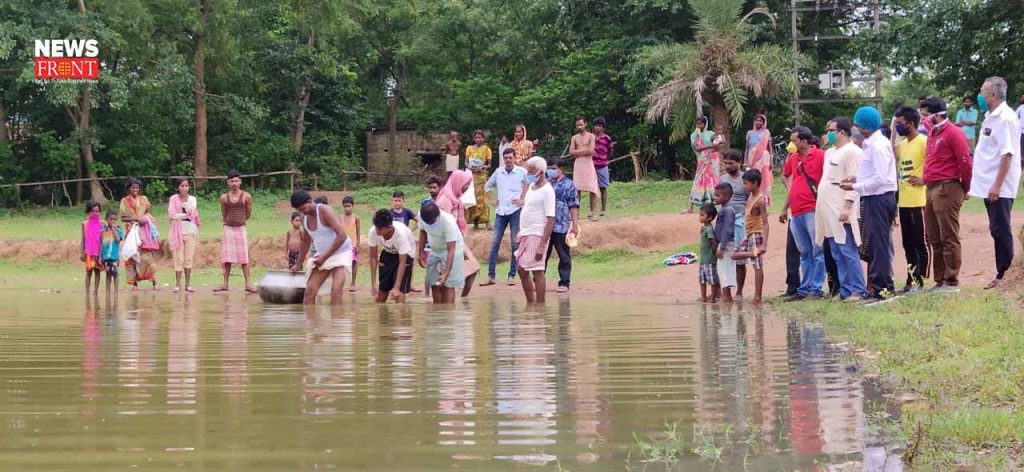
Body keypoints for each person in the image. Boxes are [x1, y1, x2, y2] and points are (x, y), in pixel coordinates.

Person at [840, 106, 898, 301]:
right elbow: (871, 173)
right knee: (873, 244)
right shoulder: (869, 145)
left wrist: (857, 187)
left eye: (857, 125)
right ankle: (881, 286)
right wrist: (855, 179)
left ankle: (881, 289)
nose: (855, 129)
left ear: (865, 126)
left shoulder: (879, 145)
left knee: (878, 244)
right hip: (872, 197)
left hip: (879, 198)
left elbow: (881, 178)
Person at [970, 76, 1022, 289]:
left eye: (983, 91)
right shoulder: (990, 116)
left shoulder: (1006, 118)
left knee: (1000, 228)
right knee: (995, 228)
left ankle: (1005, 274)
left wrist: (997, 185)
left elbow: (1007, 154)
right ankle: (1003, 272)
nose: (980, 95)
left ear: (993, 95)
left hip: (998, 186)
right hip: (987, 184)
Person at [922, 96, 973, 292]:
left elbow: (965, 162)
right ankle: (940, 279)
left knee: (948, 236)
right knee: (934, 236)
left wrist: (965, 188)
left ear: (936, 115)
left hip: (947, 187)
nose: (923, 119)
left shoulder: (953, 133)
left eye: (926, 115)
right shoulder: (933, 133)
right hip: (932, 187)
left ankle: (951, 280)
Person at [815, 117, 868, 301]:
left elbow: (854, 181)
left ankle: (858, 290)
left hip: (841, 208)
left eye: (831, 130)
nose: (828, 133)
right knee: (836, 251)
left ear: (843, 132)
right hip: (827, 210)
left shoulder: (852, 152)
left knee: (847, 250)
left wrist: (847, 206)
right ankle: (845, 290)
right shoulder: (829, 153)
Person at [780, 126, 825, 300]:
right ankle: (805, 288)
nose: (792, 144)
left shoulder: (820, 156)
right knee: (804, 251)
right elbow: (786, 176)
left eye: (794, 140)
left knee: (817, 249)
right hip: (796, 210)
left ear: (804, 142)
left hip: (812, 208)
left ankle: (816, 287)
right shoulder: (793, 158)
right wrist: (785, 207)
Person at [290, 190, 353, 305]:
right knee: (309, 291)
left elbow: (342, 235)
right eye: (299, 210)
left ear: (309, 201)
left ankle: (337, 322)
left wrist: (324, 258)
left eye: (303, 209)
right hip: (323, 255)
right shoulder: (304, 218)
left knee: (336, 291)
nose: (302, 212)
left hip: (341, 254)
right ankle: (311, 322)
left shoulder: (324, 210)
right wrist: (298, 263)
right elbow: (305, 241)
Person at [894, 107, 930, 292]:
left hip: (919, 200)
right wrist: (894, 128)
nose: (898, 126)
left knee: (920, 242)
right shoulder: (904, 144)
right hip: (905, 201)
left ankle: (921, 280)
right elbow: (893, 150)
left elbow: (935, 163)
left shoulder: (924, 141)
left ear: (911, 123)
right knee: (907, 244)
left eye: (900, 123)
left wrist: (925, 179)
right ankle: (911, 280)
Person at [483, 148, 529, 286]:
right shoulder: (499, 172)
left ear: (515, 158)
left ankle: (512, 275)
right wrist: (492, 200)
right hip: (500, 212)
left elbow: (531, 185)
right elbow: (488, 186)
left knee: (515, 243)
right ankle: (491, 276)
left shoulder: (522, 172)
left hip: (515, 211)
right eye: (506, 158)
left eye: (510, 158)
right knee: (495, 243)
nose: (508, 160)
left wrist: (523, 199)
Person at [516, 156, 556, 304]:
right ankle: (531, 302)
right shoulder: (532, 188)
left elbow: (551, 218)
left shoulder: (547, 191)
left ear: (540, 171)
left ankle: (539, 305)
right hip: (525, 233)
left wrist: (541, 245)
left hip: (537, 234)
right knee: (521, 269)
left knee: (537, 271)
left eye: (531, 171)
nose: (528, 174)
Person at [435, 169, 481, 295]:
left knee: (473, 268)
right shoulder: (445, 200)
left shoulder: (456, 199)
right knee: (450, 276)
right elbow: (444, 226)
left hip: (457, 240)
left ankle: (462, 302)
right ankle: (446, 306)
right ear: (458, 182)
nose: (467, 187)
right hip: (448, 243)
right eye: (466, 184)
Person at [732, 170, 770, 304]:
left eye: (746, 183)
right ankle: (753, 253)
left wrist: (764, 244)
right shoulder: (750, 197)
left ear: (755, 184)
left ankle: (758, 296)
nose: (744, 186)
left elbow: (765, 223)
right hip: (748, 233)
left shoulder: (760, 200)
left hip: (756, 233)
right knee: (734, 255)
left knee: (757, 266)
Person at [417, 202, 465, 304]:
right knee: (434, 283)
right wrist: (420, 253)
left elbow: (451, 250)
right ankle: (438, 312)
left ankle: (448, 314)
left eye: (431, 222)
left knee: (448, 284)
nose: (429, 224)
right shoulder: (422, 216)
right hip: (434, 250)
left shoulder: (448, 222)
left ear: (437, 216)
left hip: (453, 251)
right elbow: (422, 232)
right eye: (427, 222)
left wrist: (446, 274)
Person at [544, 158, 580, 293]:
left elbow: (574, 205)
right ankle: (538, 281)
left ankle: (564, 282)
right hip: (545, 226)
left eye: (554, 168)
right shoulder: (545, 183)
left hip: (561, 225)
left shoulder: (569, 184)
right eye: (549, 168)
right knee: (542, 255)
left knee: (564, 255)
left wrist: (575, 224)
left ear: (561, 169)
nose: (551, 171)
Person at [216, 170, 255, 293]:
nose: (234, 183)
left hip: (241, 228)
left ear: (240, 181)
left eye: (236, 181)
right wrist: (229, 222)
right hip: (228, 229)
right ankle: (225, 284)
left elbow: (248, 213)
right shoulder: (224, 198)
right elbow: (224, 213)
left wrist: (240, 221)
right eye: (232, 181)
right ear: (228, 182)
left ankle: (248, 283)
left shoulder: (246, 196)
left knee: (244, 257)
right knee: (227, 258)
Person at [119, 178, 160, 290]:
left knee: (147, 256)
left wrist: (145, 219)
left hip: (143, 232)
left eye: (137, 187)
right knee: (132, 256)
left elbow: (148, 212)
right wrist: (136, 219)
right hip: (131, 232)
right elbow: (123, 217)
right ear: (129, 189)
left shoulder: (144, 199)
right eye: (133, 187)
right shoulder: (124, 201)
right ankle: (134, 284)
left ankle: (154, 282)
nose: (135, 189)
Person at [719, 150, 749, 298]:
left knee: (739, 258)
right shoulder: (722, 179)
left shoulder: (745, 179)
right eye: (726, 164)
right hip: (725, 220)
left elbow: (750, 200)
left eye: (731, 163)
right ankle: (723, 291)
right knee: (723, 256)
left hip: (739, 221)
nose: (728, 166)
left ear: (739, 163)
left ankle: (739, 292)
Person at [368, 209, 416, 304]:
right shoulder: (373, 231)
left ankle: (400, 317)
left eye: (380, 229)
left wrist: (397, 287)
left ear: (389, 227)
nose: (377, 231)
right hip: (388, 252)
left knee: (399, 293)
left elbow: (402, 262)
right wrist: (373, 283)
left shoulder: (401, 234)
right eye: (376, 227)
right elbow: (373, 257)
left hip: (406, 255)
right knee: (382, 291)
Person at [168, 178, 200, 293]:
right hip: (177, 232)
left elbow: (192, 212)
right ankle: (177, 284)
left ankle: (188, 284)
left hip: (190, 231)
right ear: (178, 187)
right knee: (179, 259)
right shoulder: (173, 199)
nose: (184, 188)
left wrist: (182, 214)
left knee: (188, 258)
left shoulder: (193, 199)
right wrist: (185, 214)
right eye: (182, 186)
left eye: (186, 186)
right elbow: (172, 215)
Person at [570, 117, 600, 220]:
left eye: (581, 124)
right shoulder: (574, 138)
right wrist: (584, 151)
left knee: (592, 188)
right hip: (578, 164)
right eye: (577, 125)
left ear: (585, 124)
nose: (579, 127)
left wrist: (578, 152)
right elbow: (571, 152)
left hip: (588, 163)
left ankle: (593, 212)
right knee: (577, 189)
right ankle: (576, 213)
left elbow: (591, 151)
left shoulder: (591, 136)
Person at [688, 116, 719, 213]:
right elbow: (697, 148)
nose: (699, 126)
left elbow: (719, 144)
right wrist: (710, 146)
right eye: (697, 124)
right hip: (702, 161)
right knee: (698, 181)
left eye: (701, 124)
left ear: (705, 124)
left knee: (712, 182)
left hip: (712, 161)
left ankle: (711, 205)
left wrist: (716, 143)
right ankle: (691, 207)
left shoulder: (710, 133)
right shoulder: (694, 135)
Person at [713, 183, 736, 303]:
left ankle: (727, 297)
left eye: (718, 195)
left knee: (725, 270)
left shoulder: (727, 210)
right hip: (724, 244)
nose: (715, 198)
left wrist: (721, 247)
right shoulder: (724, 208)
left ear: (726, 196)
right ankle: (727, 296)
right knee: (723, 270)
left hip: (726, 245)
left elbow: (727, 229)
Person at [465, 130, 493, 230]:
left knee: (483, 199)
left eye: (480, 137)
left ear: (483, 138)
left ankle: (487, 222)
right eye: (476, 137)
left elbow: (489, 164)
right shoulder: (469, 148)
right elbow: (466, 162)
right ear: (474, 138)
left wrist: (483, 167)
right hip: (471, 176)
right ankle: (475, 222)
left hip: (482, 177)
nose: (478, 139)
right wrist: (470, 167)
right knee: (473, 199)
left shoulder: (487, 150)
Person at [745, 114, 774, 205]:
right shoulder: (750, 133)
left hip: (763, 158)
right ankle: (752, 200)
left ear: (763, 122)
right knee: (752, 178)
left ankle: (763, 200)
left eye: (760, 120)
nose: (758, 122)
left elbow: (769, 147)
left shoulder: (766, 132)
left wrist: (771, 160)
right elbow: (747, 147)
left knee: (764, 178)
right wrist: (745, 161)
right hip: (752, 158)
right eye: (756, 120)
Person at [698, 203, 720, 303]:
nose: (700, 217)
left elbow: (713, 242)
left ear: (710, 217)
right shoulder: (704, 228)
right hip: (703, 260)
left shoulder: (709, 229)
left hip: (710, 260)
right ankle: (703, 297)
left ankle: (713, 298)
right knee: (702, 280)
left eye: (702, 215)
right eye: (699, 214)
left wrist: (716, 253)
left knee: (712, 280)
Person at [81, 200, 103, 296]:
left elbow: (103, 239)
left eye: (97, 211)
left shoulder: (102, 223)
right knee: (89, 272)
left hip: (98, 252)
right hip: (89, 252)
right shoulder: (84, 224)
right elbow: (83, 239)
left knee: (97, 272)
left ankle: (96, 292)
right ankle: (87, 292)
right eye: (93, 211)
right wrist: (82, 252)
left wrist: (103, 254)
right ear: (88, 212)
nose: (95, 213)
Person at [339, 196, 361, 292]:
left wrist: (358, 244)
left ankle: (353, 283)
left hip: (353, 244)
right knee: (342, 265)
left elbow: (358, 232)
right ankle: (341, 283)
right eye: (345, 206)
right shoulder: (340, 218)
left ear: (353, 206)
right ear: (342, 207)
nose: (347, 208)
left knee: (354, 263)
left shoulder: (356, 218)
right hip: (343, 245)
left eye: (349, 206)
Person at [593, 117, 614, 217]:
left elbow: (611, 150)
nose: (598, 128)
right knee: (591, 188)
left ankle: (603, 210)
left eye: (600, 126)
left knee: (603, 187)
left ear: (603, 128)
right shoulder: (590, 138)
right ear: (593, 127)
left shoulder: (607, 138)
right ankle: (592, 210)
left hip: (603, 166)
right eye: (597, 125)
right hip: (591, 166)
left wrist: (606, 159)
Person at [100, 210, 123, 297]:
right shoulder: (103, 231)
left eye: (114, 219)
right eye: (110, 219)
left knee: (115, 274)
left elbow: (117, 240)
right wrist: (100, 256)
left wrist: (113, 230)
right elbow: (101, 244)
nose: (113, 221)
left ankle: (116, 292)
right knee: (108, 275)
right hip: (106, 257)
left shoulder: (118, 230)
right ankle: (107, 292)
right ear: (106, 219)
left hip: (114, 257)